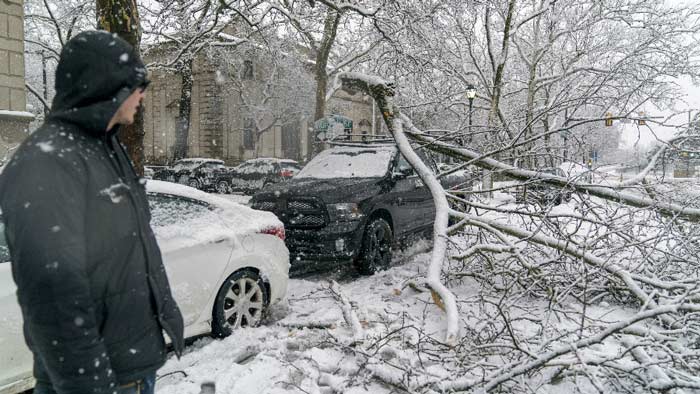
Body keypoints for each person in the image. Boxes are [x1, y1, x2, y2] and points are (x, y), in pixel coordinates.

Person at [0, 31, 184, 394]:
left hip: (128, 368)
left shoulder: (103, 148)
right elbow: (53, 298)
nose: (143, 94)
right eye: (137, 84)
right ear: (107, 87)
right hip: (98, 380)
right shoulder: (48, 161)